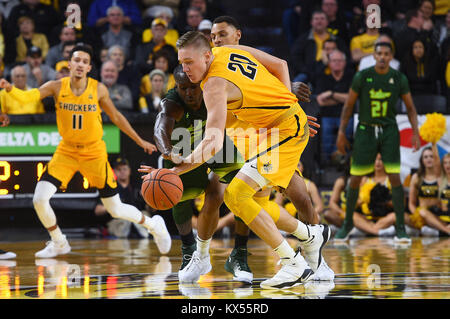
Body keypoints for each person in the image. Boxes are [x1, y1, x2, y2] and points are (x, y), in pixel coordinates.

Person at [141, 31, 331, 290]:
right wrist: (288, 106)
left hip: (283, 131)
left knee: (236, 195)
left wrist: (177, 168)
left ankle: (294, 263)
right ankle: (310, 236)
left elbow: (213, 144)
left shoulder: (213, 85)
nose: (185, 69)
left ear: (207, 55)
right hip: (274, 129)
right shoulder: (227, 51)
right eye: (181, 62)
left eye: (189, 62)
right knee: (256, 205)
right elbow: (277, 68)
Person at [0, 44, 171, 258]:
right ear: (69, 64)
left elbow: (117, 117)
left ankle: (153, 225)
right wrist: (10, 89)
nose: (80, 64)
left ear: (89, 67)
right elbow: (29, 97)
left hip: (93, 153)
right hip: (67, 151)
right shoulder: (56, 86)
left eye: (84, 61)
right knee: (39, 199)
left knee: (115, 209)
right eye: (76, 60)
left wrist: (139, 140)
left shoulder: (98, 89)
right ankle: (59, 241)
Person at [335, 41, 421, 243]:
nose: (382, 57)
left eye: (386, 54)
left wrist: (415, 131)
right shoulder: (362, 76)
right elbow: (348, 106)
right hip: (366, 130)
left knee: (394, 177)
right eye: (379, 53)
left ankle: (400, 227)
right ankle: (348, 223)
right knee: (355, 178)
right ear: (373, 56)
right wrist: (341, 132)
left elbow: (410, 108)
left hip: (389, 130)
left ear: (391, 57)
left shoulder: (398, 78)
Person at [94, 157, 150, 238]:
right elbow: (97, 210)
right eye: (119, 169)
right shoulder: (110, 188)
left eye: (124, 169)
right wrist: (111, 205)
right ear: (114, 172)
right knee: (124, 219)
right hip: (119, 220)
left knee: (142, 215)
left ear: (129, 171)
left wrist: (149, 199)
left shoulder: (138, 186)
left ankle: (144, 234)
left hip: (138, 218)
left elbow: (151, 209)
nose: (122, 172)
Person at [315, 49, 354, 163]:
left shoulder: (351, 77)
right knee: (326, 134)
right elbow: (320, 101)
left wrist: (332, 94)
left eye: (339, 60)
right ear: (329, 63)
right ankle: (329, 162)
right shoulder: (323, 77)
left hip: (346, 116)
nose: (337, 63)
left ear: (344, 62)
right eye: (334, 60)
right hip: (327, 115)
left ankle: (341, 160)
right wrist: (343, 99)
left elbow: (353, 98)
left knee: (347, 131)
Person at [290, 10, 348, 83]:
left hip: (332, 72)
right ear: (311, 22)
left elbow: (345, 57)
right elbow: (295, 58)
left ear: (327, 22)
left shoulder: (337, 40)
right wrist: (307, 71)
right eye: (316, 19)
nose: (319, 21)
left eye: (322, 19)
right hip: (308, 73)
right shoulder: (303, 39)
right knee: (296, 83)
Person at [409, 144, 450, 236]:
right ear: (422, 160)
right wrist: (417, 215)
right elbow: (411, 203)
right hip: (422, 215)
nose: (428, 159)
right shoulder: (416, 177)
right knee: (407, 216)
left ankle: (439, 231)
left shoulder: (441, 177)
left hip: (438, 216)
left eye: (431, 156)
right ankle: (444, 231)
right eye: (425, 157)